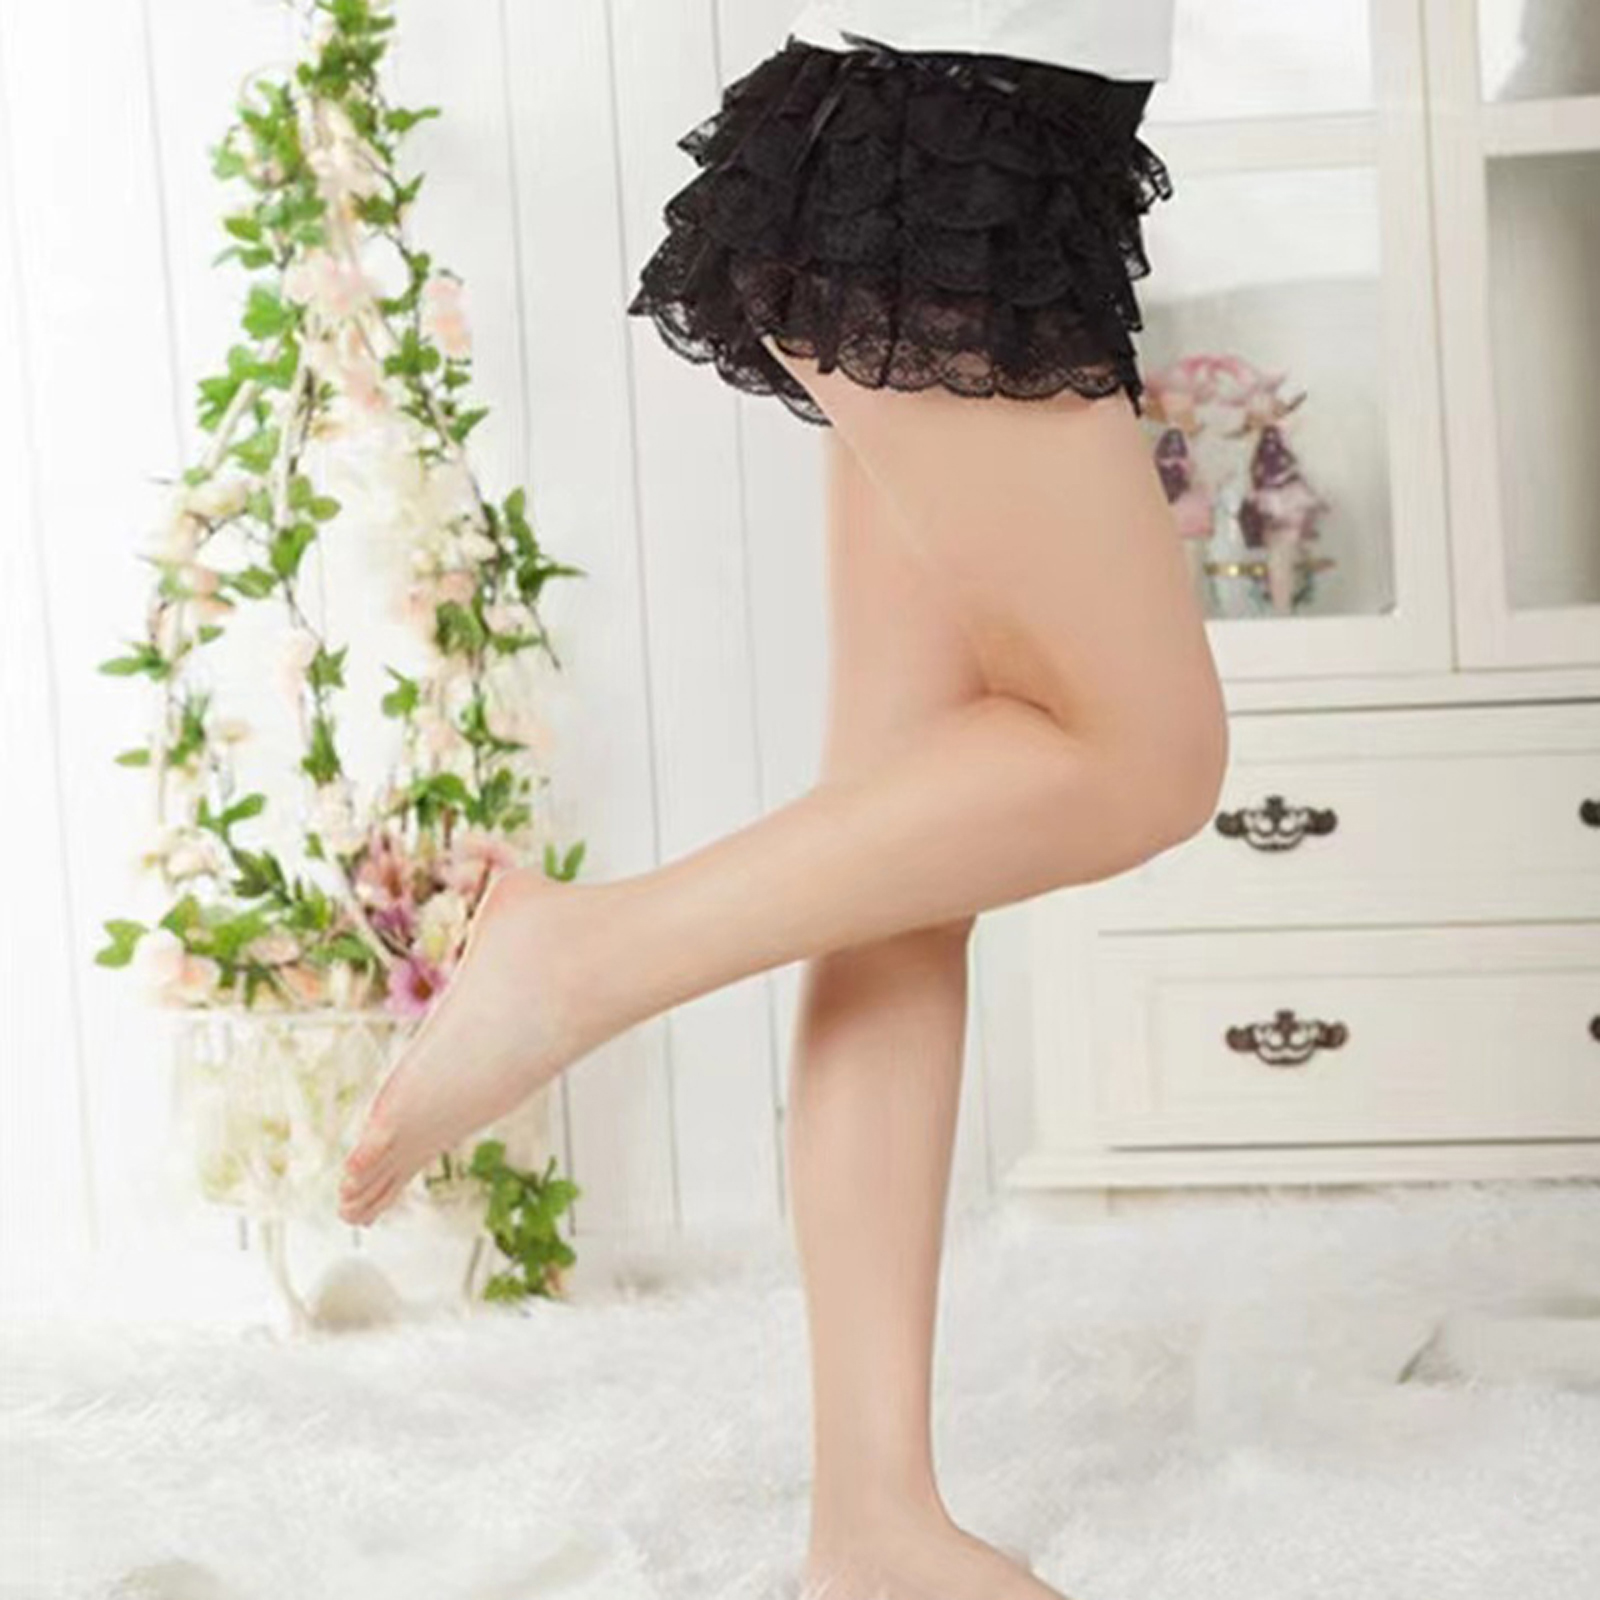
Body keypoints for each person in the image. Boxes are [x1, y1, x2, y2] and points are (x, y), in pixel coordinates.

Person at [341, 5, 1224, 1596]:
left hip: (958, 141)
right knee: (1146, 757)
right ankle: (581, 956)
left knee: (902, 863)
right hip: (949, 137)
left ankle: (870, 1524)